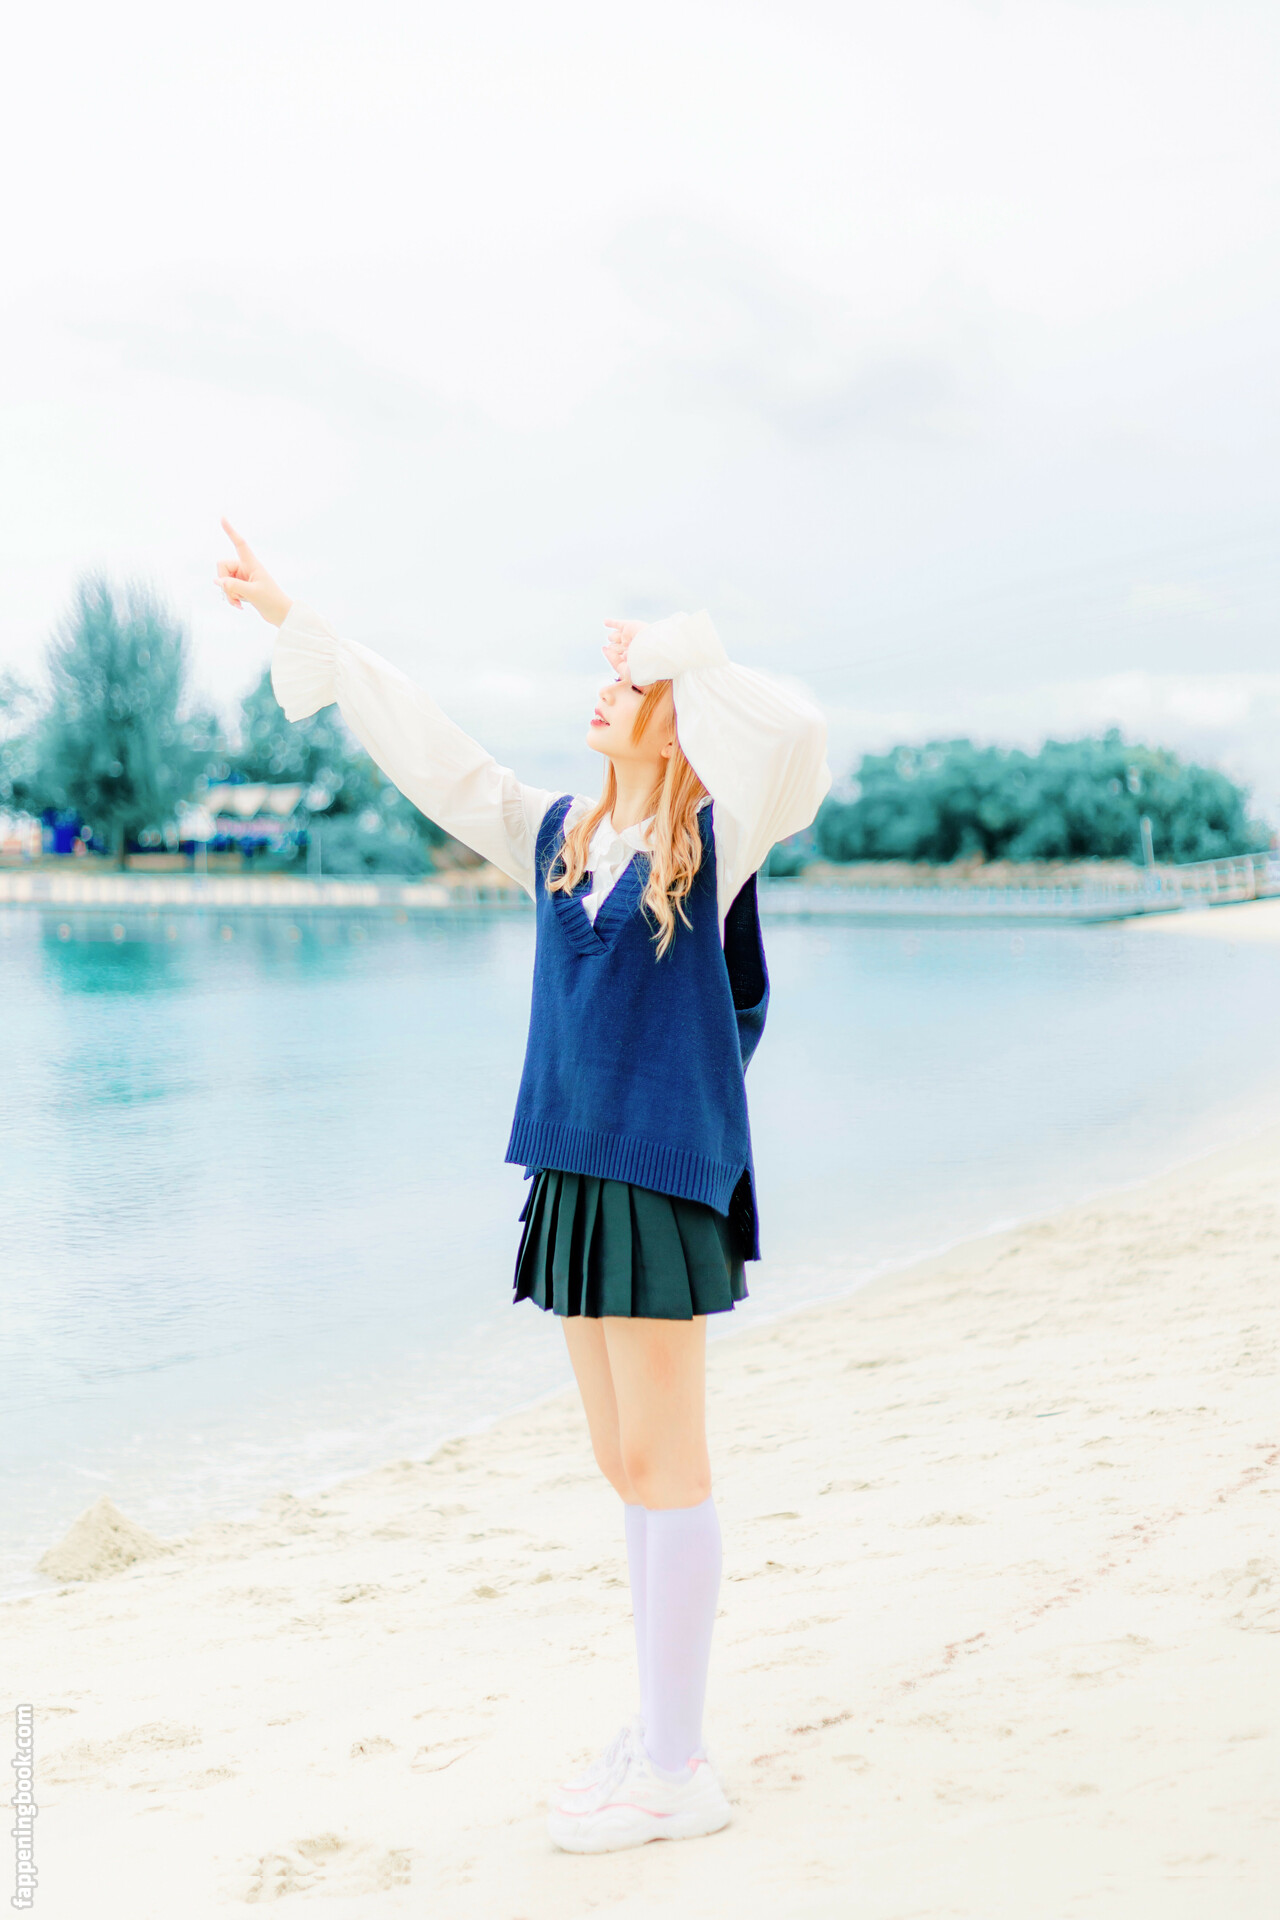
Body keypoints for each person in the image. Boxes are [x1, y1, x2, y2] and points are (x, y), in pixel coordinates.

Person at [214, 515, 831, 1853]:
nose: (605, 691)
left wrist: (676, 648)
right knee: (624, 1465)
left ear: (677, 718)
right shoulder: (559, 836)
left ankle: (677, 1767)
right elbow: (433, 753)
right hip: (572, 1168)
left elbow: (791, 734)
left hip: (663, 1176)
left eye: (630, 686)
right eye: (613, 675)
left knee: (670, 1465)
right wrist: (296, 624)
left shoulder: (718, 841)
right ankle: (659, 1733)